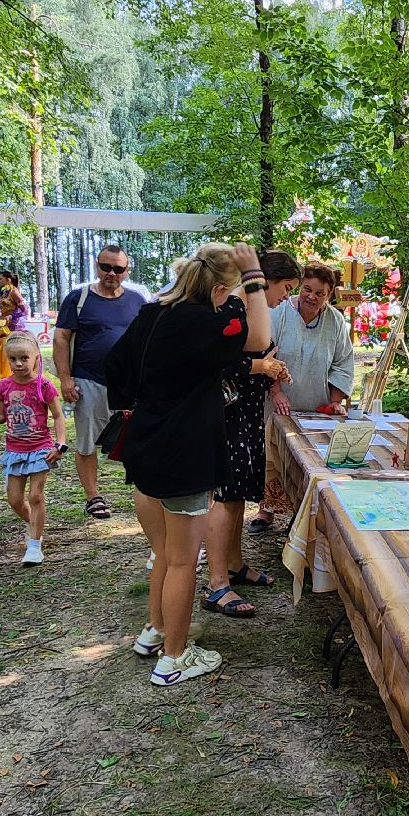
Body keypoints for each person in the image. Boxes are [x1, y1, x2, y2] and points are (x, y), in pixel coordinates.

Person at [106, 242, 270, 686]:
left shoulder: (151, 313)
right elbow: (259, 341)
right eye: (231, 291)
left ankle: (156, 631)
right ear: (219, 288)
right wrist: (254, 276)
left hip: (145, 447)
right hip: (184, 455)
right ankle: (174, 659)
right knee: (182, 561)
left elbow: (113, 366)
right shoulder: (203, 323)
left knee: (164, 553)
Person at [207, 251, 300, 606]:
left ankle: (233, 563)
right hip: (228, 412)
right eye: (286, 288)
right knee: (226, 496)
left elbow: (250, 357)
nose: (285, 298)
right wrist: (262, 365)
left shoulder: (249, 309)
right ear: (266, 280)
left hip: (246, 411)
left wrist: (269, 367)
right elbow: (219, 362)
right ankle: (216, 583)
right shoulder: (231, 306)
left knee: (237, 496)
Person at [247, 263, 355, 533]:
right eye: (307, 289)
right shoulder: (280, 312)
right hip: (278, 403)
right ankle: (266, 510)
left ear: (329, 295)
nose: (312, 297)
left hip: (315, 405)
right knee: (272, 457)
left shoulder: (335, 321)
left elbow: (342, 363)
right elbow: (264, 354)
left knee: (309, 460)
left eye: (320, 293)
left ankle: (302, 513)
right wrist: (276, 390)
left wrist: (335, 400)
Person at [53, 244, 145, 521]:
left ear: (127, 270)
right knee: (86, 442)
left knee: (136, 438)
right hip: (88, 380)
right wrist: (66, 378)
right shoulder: (78, 298)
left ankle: (143, 490)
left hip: (128, 385)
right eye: (106, 267)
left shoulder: (138, 300)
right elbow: (61, 338)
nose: (111, 273)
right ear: (97, 266)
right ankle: (93, 496)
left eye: (118, 268)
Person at [0, 331, 67, 566]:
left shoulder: (44, 386)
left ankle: (34, 546)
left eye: (24, 358)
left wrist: (60, 444)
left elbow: (58, 416)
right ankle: (35, 525)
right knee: (14, 499)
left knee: (35, 495)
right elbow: (0, 416)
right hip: (15, 450)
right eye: (13, 359)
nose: (18, 364)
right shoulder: (3, 387)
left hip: (41, 449)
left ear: (36, 358)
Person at [0, 269, 29, 381]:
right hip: (3, 327)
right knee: (2, 351)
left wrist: (12, 317)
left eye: (0, 279)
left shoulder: (14, 292)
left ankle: (13, 377)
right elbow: (5, 309)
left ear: (8, 280)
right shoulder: (5, 292)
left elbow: (24, 310)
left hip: (13, 328)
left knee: (9, 351)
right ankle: (4, 379)